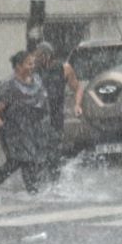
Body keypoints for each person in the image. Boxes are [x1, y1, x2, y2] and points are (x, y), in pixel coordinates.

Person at [0, 49, 50, 193]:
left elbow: (42, 102)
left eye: (33, 63)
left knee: (27, 161)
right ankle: (31, 191)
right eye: (29, 64)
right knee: (19, 160)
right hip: (13, 131)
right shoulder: (8, 85)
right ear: (18, 66)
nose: (32, 66)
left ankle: (31, 190)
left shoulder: (36, 79)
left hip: (32, 129)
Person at [32, 40, 80, 176]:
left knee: (54, 151)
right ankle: (40, 178)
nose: (36, 58)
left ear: (47, 55)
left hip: (56, 117)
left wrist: (77, 104)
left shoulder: (64, 68)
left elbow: (77, 88)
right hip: (38, 117)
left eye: (39, 55)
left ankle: (55, 179)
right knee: (39, 151)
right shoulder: (34, 71)